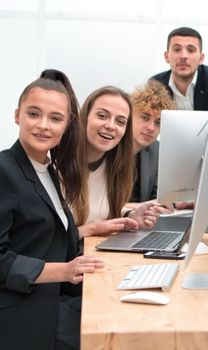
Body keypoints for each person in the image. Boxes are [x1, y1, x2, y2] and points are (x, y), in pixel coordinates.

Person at [0, 69, 104, 350]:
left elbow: (47, 238)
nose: (43, 125)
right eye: (34, 114)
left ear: (66, 125)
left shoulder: (48, 170)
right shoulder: (4, 170)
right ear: (16, 115)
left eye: (55, 118)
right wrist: (63, 271)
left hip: (53, 299)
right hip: (20, 310)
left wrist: (95, 232)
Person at [71, 86, 165, 238]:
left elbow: (101, 209)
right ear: (85, 116)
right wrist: (91, 229)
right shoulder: (58, 161)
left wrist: (131, 216)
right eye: (102, 116)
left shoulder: (113, 161)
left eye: (120, 121)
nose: (110, 126)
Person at [151, 26, 208, 112]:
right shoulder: (155, 84)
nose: (183, 56)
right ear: (166, 57)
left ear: (201, 58)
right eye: (177, 49)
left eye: (191, 50)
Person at [128, 80, 176, 204]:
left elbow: (157, 198)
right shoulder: (109, 147)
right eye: (145, 117)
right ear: (128, 116)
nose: (151, 128)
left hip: (142, 222)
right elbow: (103, 206)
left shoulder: (157, 150)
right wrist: (141, 207)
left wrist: (177, 203)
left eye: (158, 122)